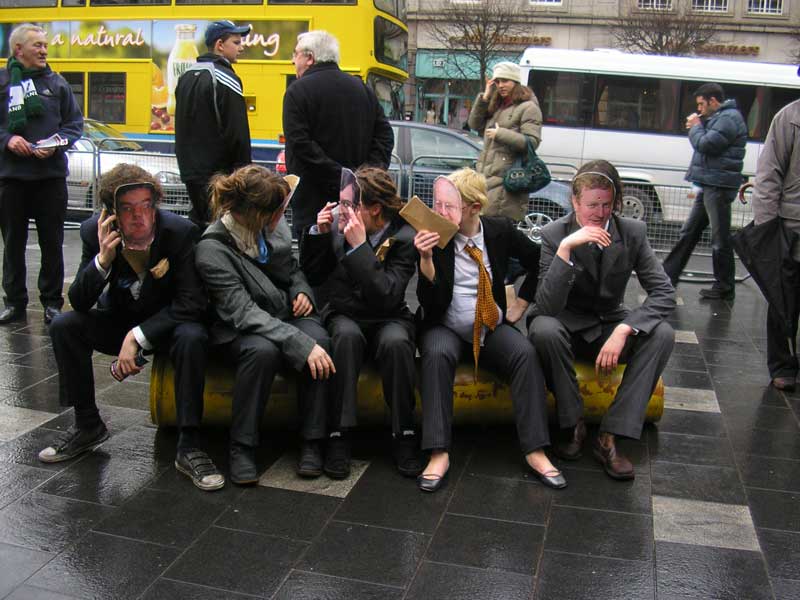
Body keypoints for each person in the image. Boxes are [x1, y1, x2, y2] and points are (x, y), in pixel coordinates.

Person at [40, 163, 224, 492]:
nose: (139, 216)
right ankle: (87, 424)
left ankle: (189, 444)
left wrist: (138, 337)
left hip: (168, 325)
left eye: (146, 206)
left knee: (193, 335)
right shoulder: (93, 233)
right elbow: (79, 301)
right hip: (121, 317)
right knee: (65, 325)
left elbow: (191, 302)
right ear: (111, 213)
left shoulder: (180, 232)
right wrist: (102, 260)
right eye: (127, 209)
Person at [413, 167, 564, 493]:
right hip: (446, 324)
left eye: (450, 206)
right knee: (436, 354)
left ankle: (535, 449)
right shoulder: (436, 236)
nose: (441, 212)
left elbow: (539, 260)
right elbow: (430, 302)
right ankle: (438, 452)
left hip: (489, 324)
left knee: (524, 354)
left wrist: (521, 303)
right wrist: (425, 260)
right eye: (439, 205)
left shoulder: (499, 231)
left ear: (474, 208)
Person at [529, 160, 675, 481]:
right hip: (567, 326)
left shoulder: (632, 232)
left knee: (662, 334)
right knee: (542, 329)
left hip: (610, 324)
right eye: (592, 205)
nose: (599, 213)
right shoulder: (555, 235)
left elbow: (664, 292)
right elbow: (547, 306)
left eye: (606, 205)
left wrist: (625, 329)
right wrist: (566, 250)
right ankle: (573, 424)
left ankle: (611, 435)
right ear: (575, 201)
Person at [195, 164, 335, 484]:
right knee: (263, 352)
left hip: (282, 311)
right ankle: (242, 447)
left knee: (321, 341)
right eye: (279, 210)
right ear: (258, 215)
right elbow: (243, 312)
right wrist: (299, 343)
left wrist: (301, 290)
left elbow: (292, 267)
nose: (284, 215)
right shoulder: (212, 249)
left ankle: (312, 441)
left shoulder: (271, 225)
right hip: (239, 327)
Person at [300, 166, 421, 479]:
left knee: (397, 343)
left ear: (375, 209)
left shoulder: (404, 237)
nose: (343, 211)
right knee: (346, 337)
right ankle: (339, 435)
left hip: (387, 314)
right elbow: (314, 275)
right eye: (342, 203)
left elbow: (387, 294)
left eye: (350, 205)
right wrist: (318, 235)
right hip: (345, 313)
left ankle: (404, 434)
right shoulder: (339, 227)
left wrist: (359, 248)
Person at [0, 24, 83, 325]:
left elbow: (74, 125)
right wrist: (7, 139)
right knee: (13, 245)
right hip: (12, 179)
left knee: (52, 243)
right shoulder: (3, 82)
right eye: (37, 45)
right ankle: (14, 303)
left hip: (50, 178)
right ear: (18, 49)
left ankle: (51, 303)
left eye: (45, 45)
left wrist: (57, 143)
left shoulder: (57, 84)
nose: (44, 50)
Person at [282, 30, 394, 239]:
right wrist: (364, 175)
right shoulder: (362, 89)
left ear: (310, 58)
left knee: (314, 255)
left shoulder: (297, 91)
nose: (292, 61)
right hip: (358, 201)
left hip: (313, 202)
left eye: (295, 54)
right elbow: (385, 136)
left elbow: (300, 144)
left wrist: (343, 176)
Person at [662, 82, 747, 301]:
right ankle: (667, 276)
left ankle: (724, 286)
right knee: (689, 232)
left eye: (701, 104)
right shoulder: (722, 117)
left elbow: (707, 144)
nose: (699, 109)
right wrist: (700, 126)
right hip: (710, 183)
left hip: (717, 185)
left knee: (719, 238)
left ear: (713, 101)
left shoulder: (728, 118)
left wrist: (695, 127)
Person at [175, 19, 252, 229]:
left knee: (200, 227)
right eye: (236, 42)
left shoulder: (186, 77)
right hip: (220, 176)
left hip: (190, 172)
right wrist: (245, 175)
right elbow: (238, 133)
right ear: (220, 45)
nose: (241, 48)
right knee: (223, 231)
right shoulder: (226, 78)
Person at [750, 97, 800, 392]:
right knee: (784, 301)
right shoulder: (789, 118)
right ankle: (783, 366)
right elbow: (768, 175)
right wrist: (767, 229)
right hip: (791, 229)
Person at [467, 61, 542, 223]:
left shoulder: (528, 107)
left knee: (497, 231)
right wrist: (485, 97)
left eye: (505, 81)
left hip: (507, 184)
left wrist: (500, 134)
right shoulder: (497, 106)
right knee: (485, 231)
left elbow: (532, 142)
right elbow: (474, 124)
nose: (501, 85)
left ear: (515, 82)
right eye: (498, 81)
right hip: (487, 181)